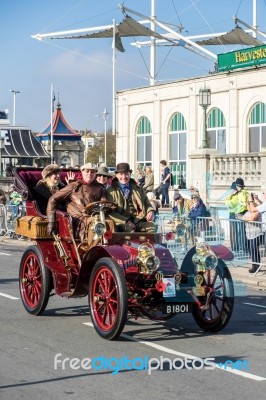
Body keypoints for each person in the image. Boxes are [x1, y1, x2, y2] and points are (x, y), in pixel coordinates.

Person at [47, 163, 107, 242]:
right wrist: (51, 221)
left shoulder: (100, 188)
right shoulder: (74, 186)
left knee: (110, 223)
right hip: (78, 220)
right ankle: (93, 250)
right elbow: (52, 199)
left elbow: (104, 204)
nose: (89, 174)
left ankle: (112, 249)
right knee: (95, 224)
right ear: (82, 172)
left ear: (96, 174)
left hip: (96, 217)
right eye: (87, 171)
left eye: (92, 172)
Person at [106, 162, 155, 233]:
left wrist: (150, 211)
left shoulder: (138, 189)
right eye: (121, 174)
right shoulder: (110, 191)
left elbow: (146, 203)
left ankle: (149, 244)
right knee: (131, 233)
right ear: (116, 175)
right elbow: (110, 212)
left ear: (130, 174)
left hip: (139, 220)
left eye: (126, 174)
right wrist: (126, 221)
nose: (124, 177)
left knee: (153, 228)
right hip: (122, 223)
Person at [225, 177, 249, 253]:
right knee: (241, 231)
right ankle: (243, 249)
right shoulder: (245, 192)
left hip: (236, 214)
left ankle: (237, 249)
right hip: (239, 214)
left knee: (235, 232)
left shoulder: (239, 194)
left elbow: (229, 204)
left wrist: (231, 196)